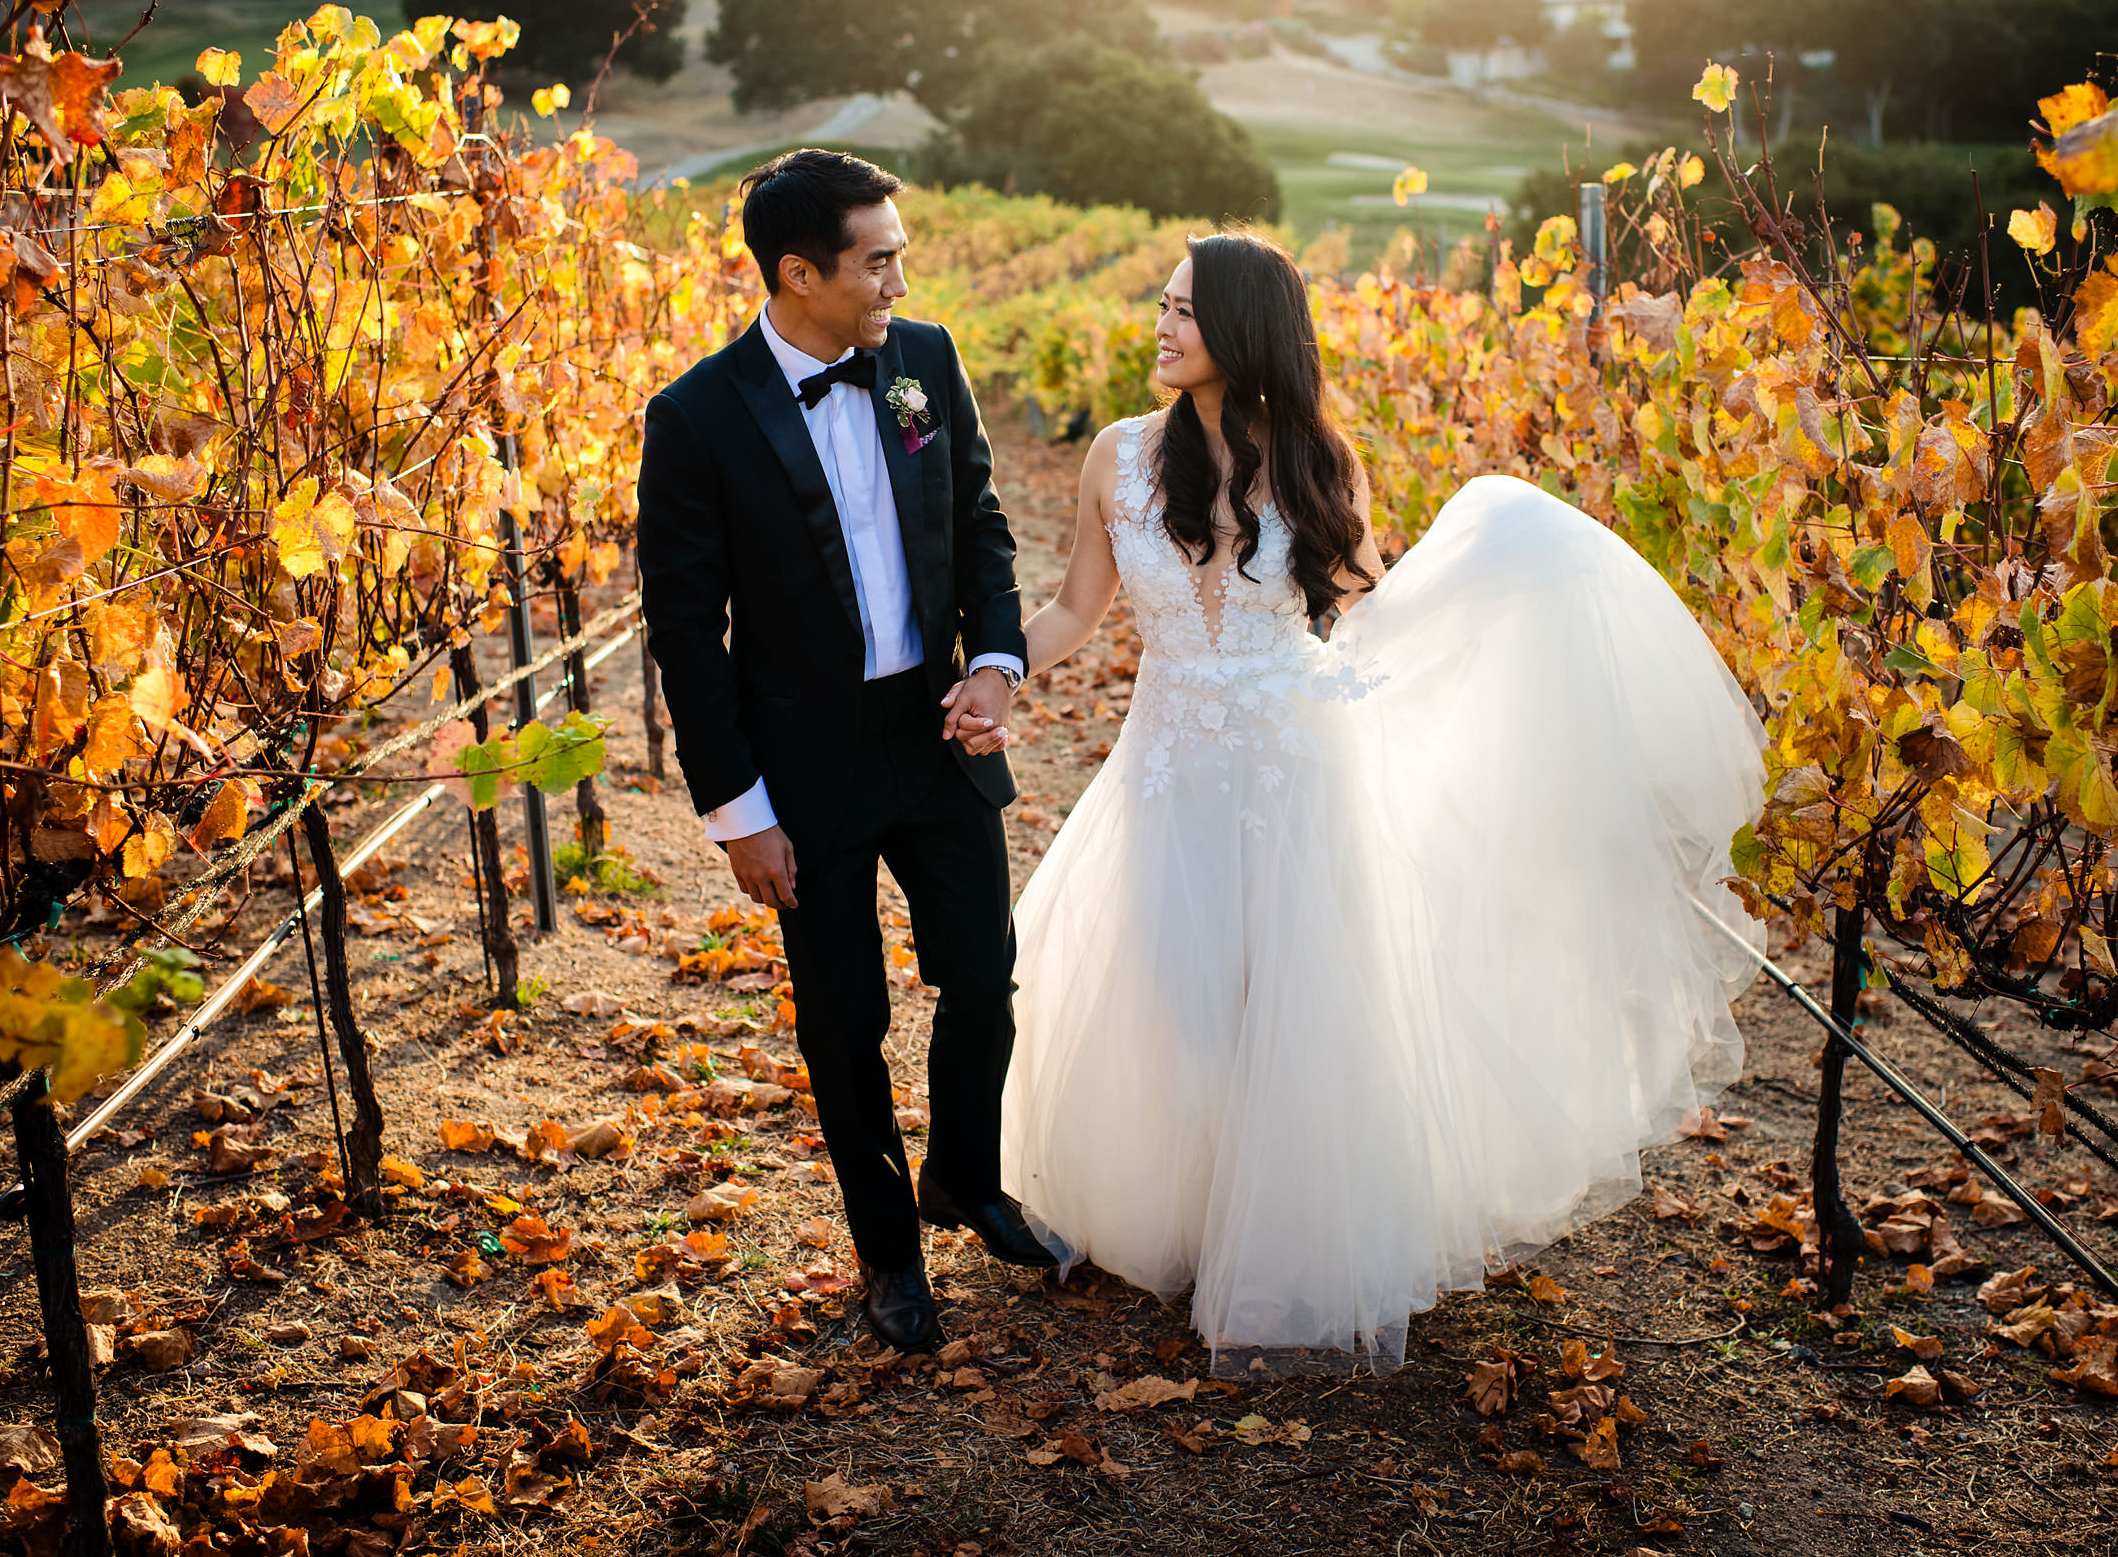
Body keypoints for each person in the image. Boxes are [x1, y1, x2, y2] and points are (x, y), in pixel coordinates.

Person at [962, 230, 1768, 1373]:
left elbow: (1369, 611)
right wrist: (997, 676)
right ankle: (1179, 1217)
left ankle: (1282, 1244)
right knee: (1168, 989)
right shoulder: (1115, 456)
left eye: (1186, 309)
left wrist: (1501, 584)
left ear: (1241, 332)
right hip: (1167, 765)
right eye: (1161, 301)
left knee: (1292, 1007)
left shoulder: (1316, 466)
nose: (1161, 322)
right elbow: (1074, 611)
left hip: (1296, 768)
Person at [638, 149, 1054, 1355]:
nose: (898, 278)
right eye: (878, 260)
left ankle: (963, 1181)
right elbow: (685, 634)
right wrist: (738, 811)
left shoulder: (921, 361)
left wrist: (997, 660)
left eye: (899, 256)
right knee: (842, 1021)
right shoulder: (697, 417)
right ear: (797, 272)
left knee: (982, 972)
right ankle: (888, 1256)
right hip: (804, 768)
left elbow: (977, 518)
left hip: (934, 737)